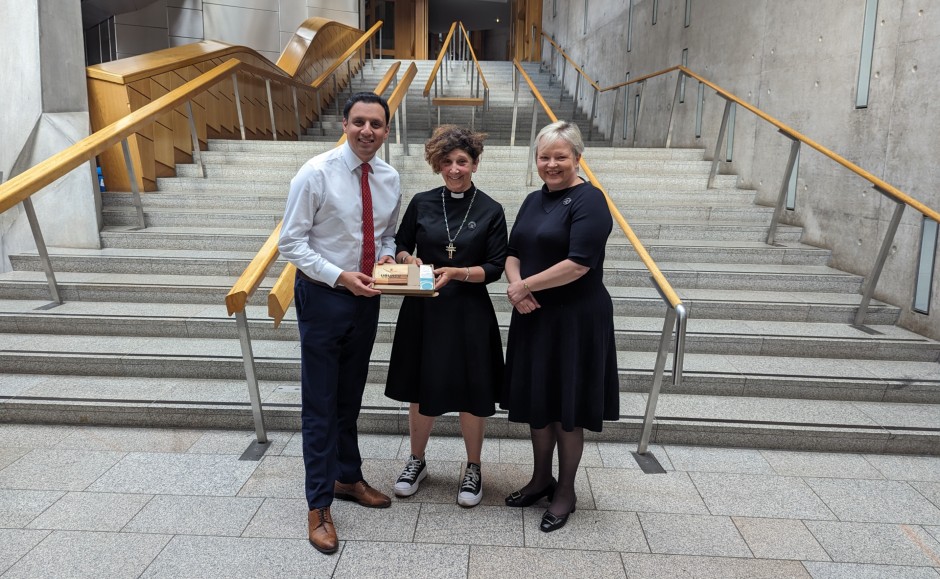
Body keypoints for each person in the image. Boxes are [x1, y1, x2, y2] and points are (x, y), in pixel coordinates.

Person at [278, 92, 401, 554]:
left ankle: (348, 477)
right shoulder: (315, 173)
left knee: (349, 397)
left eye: (377, 124)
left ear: (386, 131)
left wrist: (386, 256)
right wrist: (339, 276)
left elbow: (385, 231)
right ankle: (318, 505)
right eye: (359, 122)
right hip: (325, 297)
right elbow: (290, 244)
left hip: (366, 299)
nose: (368, 131)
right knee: (320, 404)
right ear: (344, 124)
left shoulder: (389, 177)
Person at [501, 120, 619, 533]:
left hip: (575, 318)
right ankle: (540, 478)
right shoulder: (534, 200)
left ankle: (565, 490)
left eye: (560, 157)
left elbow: (578, 263)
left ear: (577, 158)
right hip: (534, 316)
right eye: (544, 157)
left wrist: (523, 287)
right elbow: (513, 250)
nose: (551, 164)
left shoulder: (591, 200)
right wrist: (518, 286)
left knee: (568, 409)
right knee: (540, 403)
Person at [385, 125, 507, 508]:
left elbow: (496, 267)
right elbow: (401, 244)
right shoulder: (422, 202)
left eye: (462, 161)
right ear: (437, 164)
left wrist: (458, 272)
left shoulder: (491, 209)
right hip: (425, 307)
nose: (455, 169)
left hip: (470, 310)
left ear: (474, 163)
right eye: (447, 162)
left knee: (471, 389)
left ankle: (473, 467)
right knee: (421, 386)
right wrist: (407, 258)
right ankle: (416, 460)